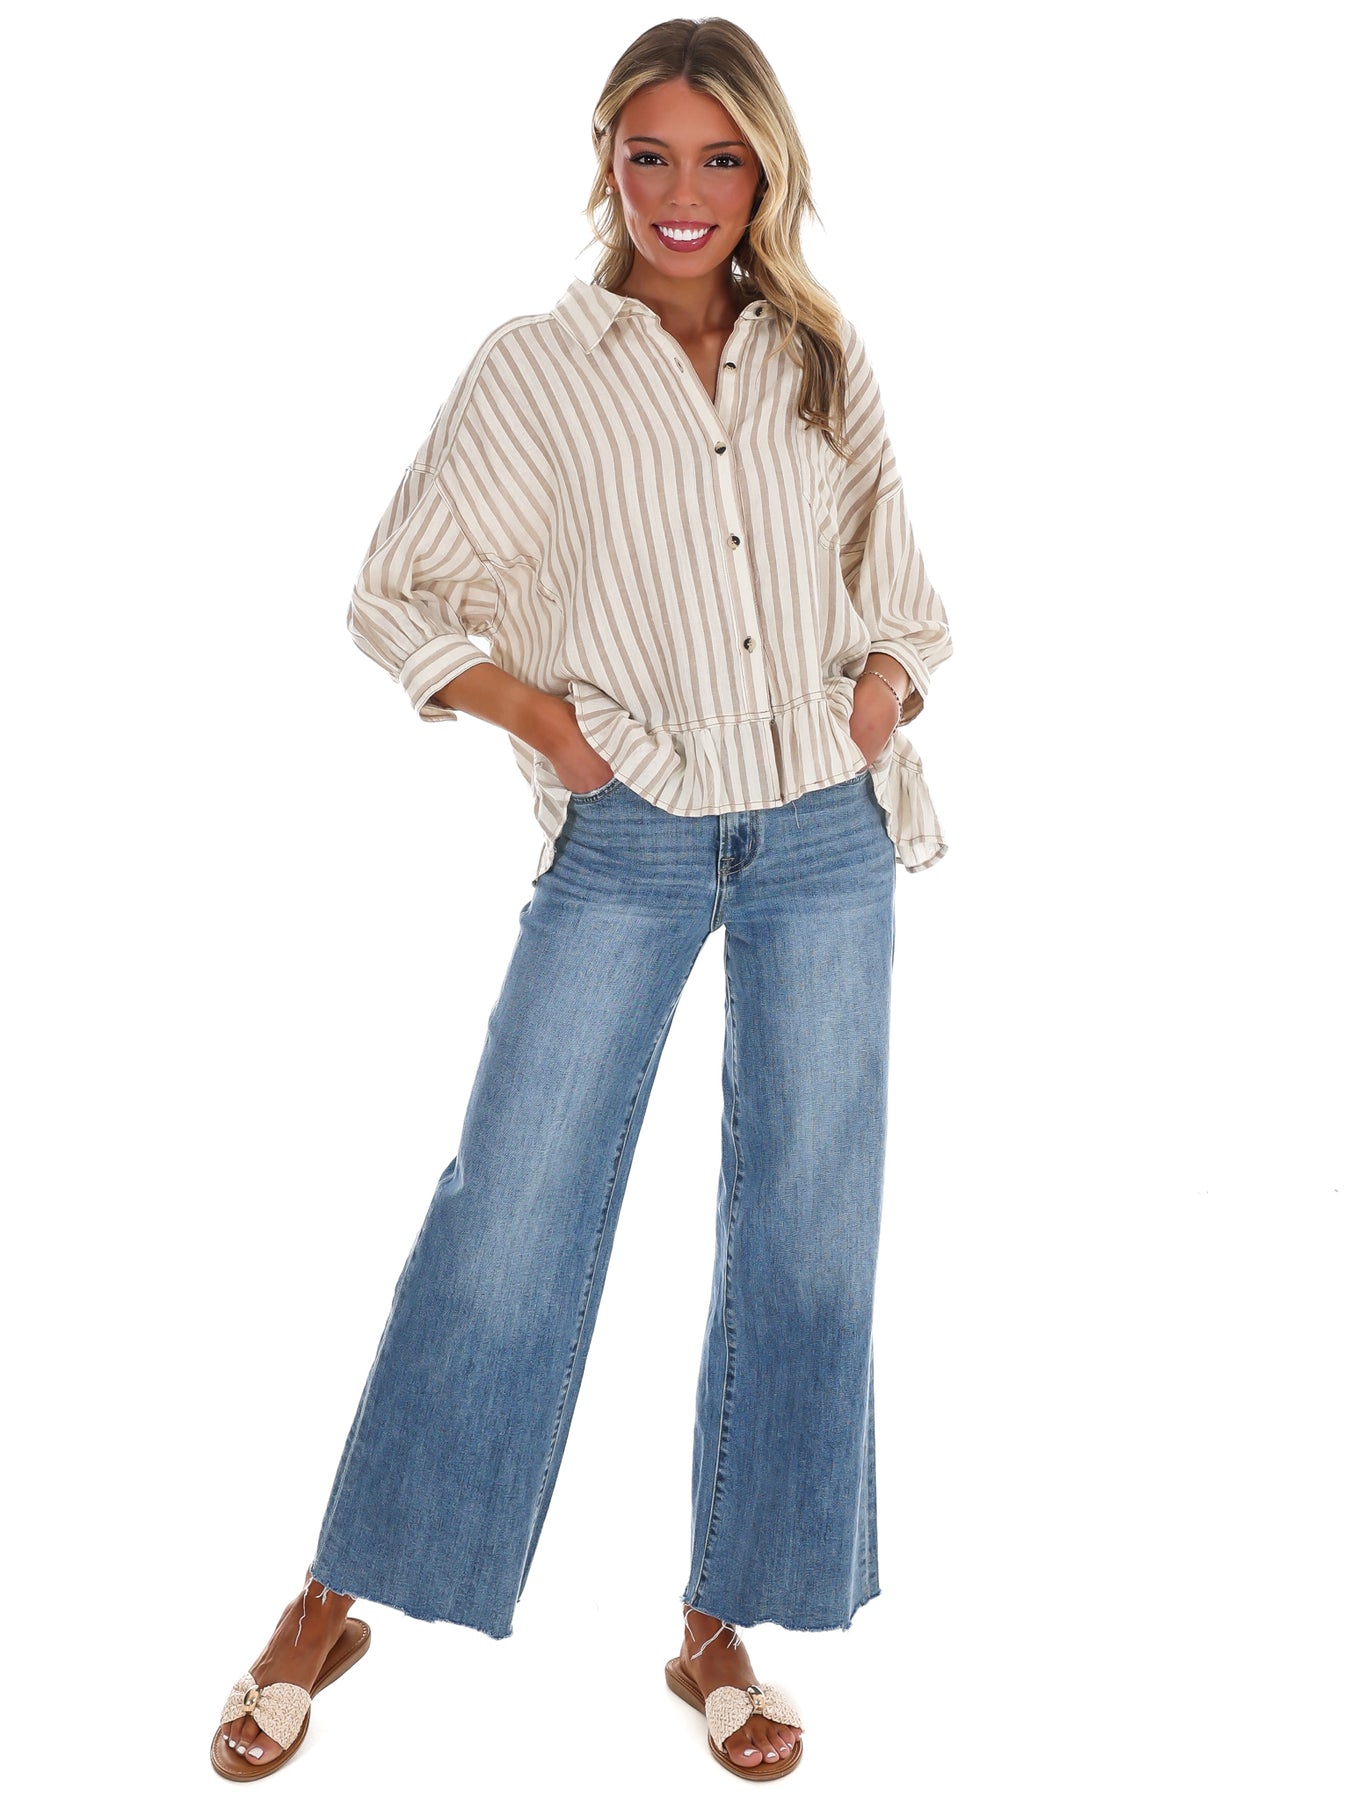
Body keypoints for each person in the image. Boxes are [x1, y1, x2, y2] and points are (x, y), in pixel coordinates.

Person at [211, 16, 953, 1784]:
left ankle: (719, 1626)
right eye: (650, 155)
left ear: (764, 170)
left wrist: (881, 691)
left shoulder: (819, 357)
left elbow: (899, 586)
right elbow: (397, 592)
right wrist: (547, 724)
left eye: (719, 158)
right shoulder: (534, 369)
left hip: (824, 836)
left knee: (807, 1236)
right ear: (606, 162)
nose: (683, 192)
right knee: (512, 1212)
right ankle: (336, 1593)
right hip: (627, 839)